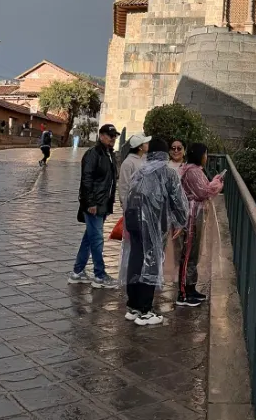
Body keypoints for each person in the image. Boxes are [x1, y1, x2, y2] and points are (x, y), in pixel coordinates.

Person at [121, 144, 188, 326]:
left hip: (133, 221)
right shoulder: (167, 173)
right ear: (164, 154)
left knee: (135, 259)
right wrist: (181, 221)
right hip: (153, 224)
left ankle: (133, 306)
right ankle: (145, 310)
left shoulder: (140, 170)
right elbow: (178, 200)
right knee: (150, 263)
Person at [173, 143, 225, 307]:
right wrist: (217, 183)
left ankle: (191, 287)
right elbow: (203, 192)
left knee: (193, 252)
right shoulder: (193, 171)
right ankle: (183, 293)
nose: (206, 157)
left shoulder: (192, 169)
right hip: (191, 215)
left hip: (195, 214)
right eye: (205, 154)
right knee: (188, 253)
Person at [71, 124, 120, 288]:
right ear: (101, 135)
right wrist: (90, 203)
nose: (113, 139)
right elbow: (86, 180)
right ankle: (100, 275)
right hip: (94, 205)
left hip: (103, 203)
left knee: (89, 239)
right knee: (97, 239)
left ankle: (77, 272)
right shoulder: (93, 154)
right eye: (110, 135)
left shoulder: (109, 154)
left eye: (114, 136)